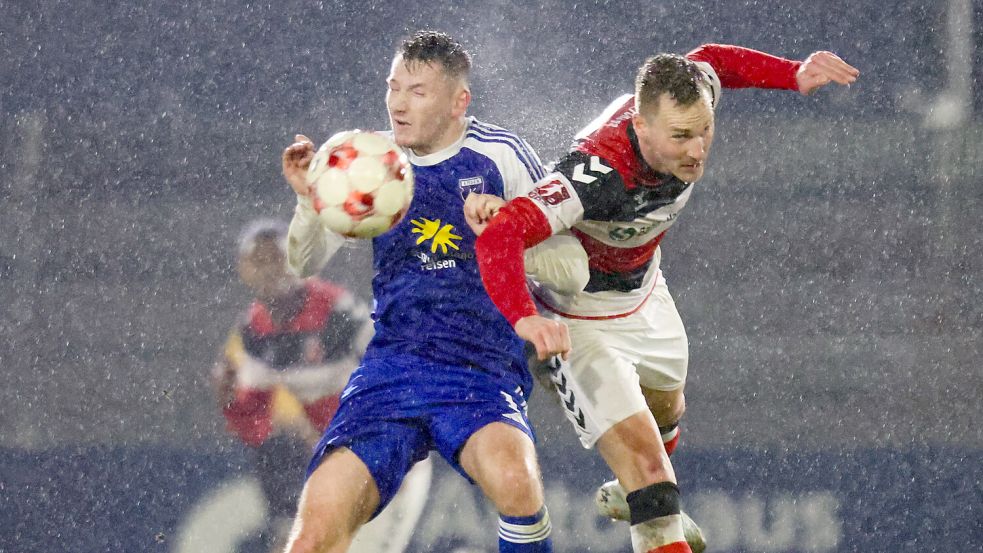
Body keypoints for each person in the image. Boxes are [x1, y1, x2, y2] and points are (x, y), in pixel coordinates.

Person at [470, 44, 860, 553]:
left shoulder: (690, 94)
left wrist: (794, 74)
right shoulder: (596, 172)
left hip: (645, 290)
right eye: (680, 136)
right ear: (641, 126)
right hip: (580, 318)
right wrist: (525, 319)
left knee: (668, 410)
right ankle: (645, 497)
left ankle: (635, 490)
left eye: (704, 130)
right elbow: (500, 236)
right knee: (653, 477)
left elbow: (715, 59)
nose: (697, 149)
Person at [279, 31, 555, 553]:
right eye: (393, 87)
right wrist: (309, 201)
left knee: (517, 484)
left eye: (417, 91)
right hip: (393, 367)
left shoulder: (501, 155)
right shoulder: (365, 162)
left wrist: (511, 228)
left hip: (480, 368)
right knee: (312, 536)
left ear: (458, 102)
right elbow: (303, 263)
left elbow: (567, 260)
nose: (398, 104)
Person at [211, 219, 431, 553]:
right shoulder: (253, 332)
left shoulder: (338, 314)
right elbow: (257, 428)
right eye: (260, 261)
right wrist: (229, 401)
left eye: (279, 258)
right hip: (329, 469)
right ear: (244, 270)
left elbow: (398, 376)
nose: (271, 270)